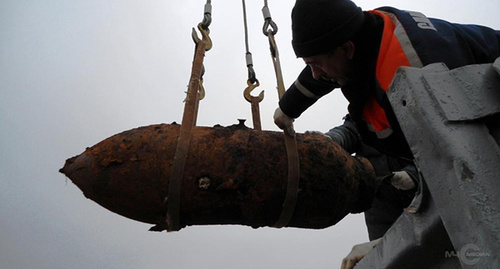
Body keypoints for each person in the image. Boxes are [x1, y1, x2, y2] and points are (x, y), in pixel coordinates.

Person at [273, 0, 500, 268]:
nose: (315, 72)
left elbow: (463, 165)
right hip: (441, 137)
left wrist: (391, 240)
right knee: (374, 160)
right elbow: (321, 71)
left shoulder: (416, 78)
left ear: (347, 49)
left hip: (487, 128)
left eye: (317, 64)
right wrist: (288, 108)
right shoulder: (363, 34)